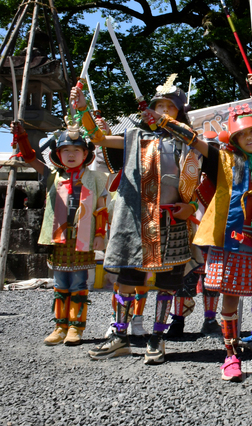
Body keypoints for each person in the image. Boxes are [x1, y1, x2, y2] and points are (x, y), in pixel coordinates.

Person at [77, 76, 201, 364]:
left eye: (169, 107)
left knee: (168, 283)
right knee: (126, 280)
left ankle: (157, 337)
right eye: (158, 105)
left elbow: (197, 184)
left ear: (179, 113)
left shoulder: (190, 142)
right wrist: (83, 109)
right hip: (134, 222)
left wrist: (191, 205)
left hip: (171, 222)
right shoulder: (134, 137)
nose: (162, 111)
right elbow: (97, 138)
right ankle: (119, 335)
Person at [165, 99, 252, 381]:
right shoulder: (224, 160)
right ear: (234, 139)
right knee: (229, 299)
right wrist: (166, 122)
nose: (248, 137)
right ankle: (230, 355)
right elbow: (194, 139)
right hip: (230, 242)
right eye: (241, 134)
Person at [11, 122, 108, 346]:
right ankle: (59, 326)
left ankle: (76, 327)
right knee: (59, 282)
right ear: (58, 154)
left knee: (78, 284)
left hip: (83, 238)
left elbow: (102, 209)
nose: (71, 155)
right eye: (66, 150)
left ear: (86, 154)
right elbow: (30, 159)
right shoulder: (53, 176)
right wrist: (23, 137)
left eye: (76, 150)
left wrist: (100, 233)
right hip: (60, 239)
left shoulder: (96, 179)